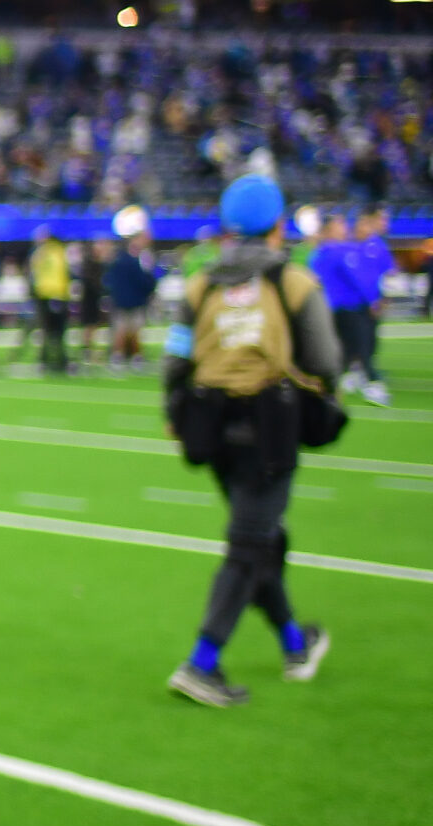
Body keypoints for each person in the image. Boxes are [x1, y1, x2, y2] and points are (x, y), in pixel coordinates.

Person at [163, 175, 339, 708]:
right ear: (278, 226)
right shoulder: (294, 283)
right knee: (249, 545)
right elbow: (327, 360)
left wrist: (175, 413)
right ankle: (201, 662)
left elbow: (175, 359)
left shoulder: (200, 285)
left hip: (213, 426)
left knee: (262, 539)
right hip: (270, 425)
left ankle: (294, 642)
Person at [318, 207, 394, 407]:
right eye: (339, 225)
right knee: (363, 346)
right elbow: (358, 279)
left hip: (333, 308)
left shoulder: (320, 253)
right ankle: (372, 384)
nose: (344, 228)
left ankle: (346, 378)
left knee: (344, 348)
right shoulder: (342, 251)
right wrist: (373, 300)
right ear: (329, 230)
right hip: (351, 307)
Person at [101, 230, 160, 376]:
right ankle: (127, 358)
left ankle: (126, 358)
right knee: (126, 330)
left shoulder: (124, 258)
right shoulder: (135, 258)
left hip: (126, 300)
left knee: (130, 331)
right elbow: (145, 280)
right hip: (130, 300)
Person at [28, 228, 71, 375]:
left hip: (44, 295)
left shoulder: (41, 253)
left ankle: (46, 359)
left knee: (46, 330)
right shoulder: (59, 252)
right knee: (58, 332)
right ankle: (59, 360)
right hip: (57, 295)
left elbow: (34, 273)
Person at [75, 238, 110, 371]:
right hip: (90, 300)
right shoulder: (91, 264)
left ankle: (90, 351)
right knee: (89, 326)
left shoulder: (97, 264)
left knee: (94, 326)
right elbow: (93, 283)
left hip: (93, 299)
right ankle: (87, 351)